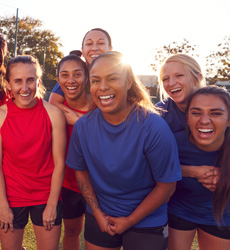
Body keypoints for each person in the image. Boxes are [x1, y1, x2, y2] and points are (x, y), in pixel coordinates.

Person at [66, 51, 182, 250]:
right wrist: (97, 213)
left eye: (112, 78)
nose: (102, 87)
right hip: (101, 216)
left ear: (128, 82)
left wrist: (129, 220)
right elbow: (81, 171)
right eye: (95, 80)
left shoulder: (153, 127)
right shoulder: (83, 126)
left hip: (147, 220)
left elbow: (166, 186)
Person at [0, 55, 66, 250]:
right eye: (18, 81)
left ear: (38, 81)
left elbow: (59, 163)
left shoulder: (53, 114)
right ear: (8, 85)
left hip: (47, 195)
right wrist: (3, 205)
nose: (25, 88)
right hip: (12, 196)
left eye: (30, 80)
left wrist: (52, 204)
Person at [167, 86, 230, 250]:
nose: (204, 120)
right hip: (179, 208)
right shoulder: (172, 141)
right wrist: (194, 171)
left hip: (222, 214)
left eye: (215, 113)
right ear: (186, 118)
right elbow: (151, 171)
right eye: (196, 113)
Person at [57, 54, 93, 250]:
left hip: (99, 186)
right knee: (71, 231)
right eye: (64, 75)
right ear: (58, 80)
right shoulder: (54, 110)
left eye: (77, 74)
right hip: (69, 185)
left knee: (100, 234)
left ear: (86, 77)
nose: (70, 80)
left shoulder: (101, 108)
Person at [49, 28, 112, 125]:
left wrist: (80, 122)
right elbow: (53, 102)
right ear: (82, 51)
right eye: (89, 44)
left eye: (101, 43)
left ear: (110, 49)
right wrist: (75, 118)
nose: (95, 48)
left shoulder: (118, 74)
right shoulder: (73, 74)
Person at [158, 54, 206, 133]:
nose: (171, 83)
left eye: (179, 75)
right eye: (166, 79)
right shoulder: (159, 113)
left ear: (197, 79)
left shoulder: (221, 104)